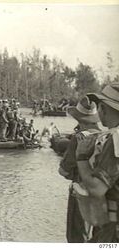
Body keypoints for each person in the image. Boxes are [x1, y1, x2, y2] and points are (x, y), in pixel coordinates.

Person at [74, 84, 119, 242]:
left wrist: (81, 158)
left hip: (113, 231)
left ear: (104, 108)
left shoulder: (115, 140)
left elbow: (97, 188)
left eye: (100, 106)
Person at [58, 96, 101, 243]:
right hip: (103, 195)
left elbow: (63, 170)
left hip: (81, 193)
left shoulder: (79, 138)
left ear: (79, 119)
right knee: (100, 238)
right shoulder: (106, 136)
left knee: (77, 237)